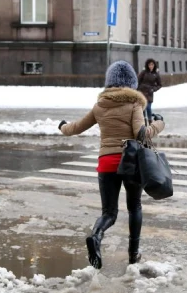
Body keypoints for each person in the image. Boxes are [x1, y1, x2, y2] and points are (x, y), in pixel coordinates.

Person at [58, 61, 165, 269]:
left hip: (106, 163)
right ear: (131, 83)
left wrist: (62, 127)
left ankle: (96, 236)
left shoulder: (100, 106)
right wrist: (159, 124)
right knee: (134, 207)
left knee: (109, 213)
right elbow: (142, 135)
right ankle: (133, 255)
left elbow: (76, 127)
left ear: (110, 83)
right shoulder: (134, 105)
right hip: (130, 164)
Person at [137, 58, 162, 123]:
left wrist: (153, 89)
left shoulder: (156, 74)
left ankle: (150, 121)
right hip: (142, 92)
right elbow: (138, 81)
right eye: (149, 65)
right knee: (143, 108)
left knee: (148, 107)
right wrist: (138, 89)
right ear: (147, 65)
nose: (151, 66)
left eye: (152, 65)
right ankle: (144, 122)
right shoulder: (144, 72)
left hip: (149, 93)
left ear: (154, 65)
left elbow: (159, 85)